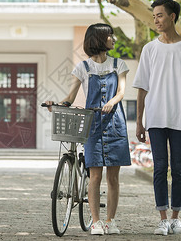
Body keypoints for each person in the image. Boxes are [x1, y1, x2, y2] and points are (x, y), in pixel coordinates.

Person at [132, 0, 181, 236]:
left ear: (172, 17)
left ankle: (176, 218)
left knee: (179, 169)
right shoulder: (149, 49)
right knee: (159, 169)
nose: (156, 20)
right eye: (154, 16)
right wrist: (139, 120)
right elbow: (142, 87)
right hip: (155, 117)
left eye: (160, 15)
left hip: (180, 119)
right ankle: (162, 219)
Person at [45, 23, 131, 235]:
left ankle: (110, 220)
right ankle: (95, 222)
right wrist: (57, 104)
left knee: (113, 177)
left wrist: (112, 102)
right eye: (110, 35)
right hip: (93, 126)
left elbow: (121, 92)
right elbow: (71, 96)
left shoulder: (119, 65)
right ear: (100, 39)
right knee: (95, 176)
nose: (114, 39)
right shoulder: (82, 68)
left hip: (115, 124)